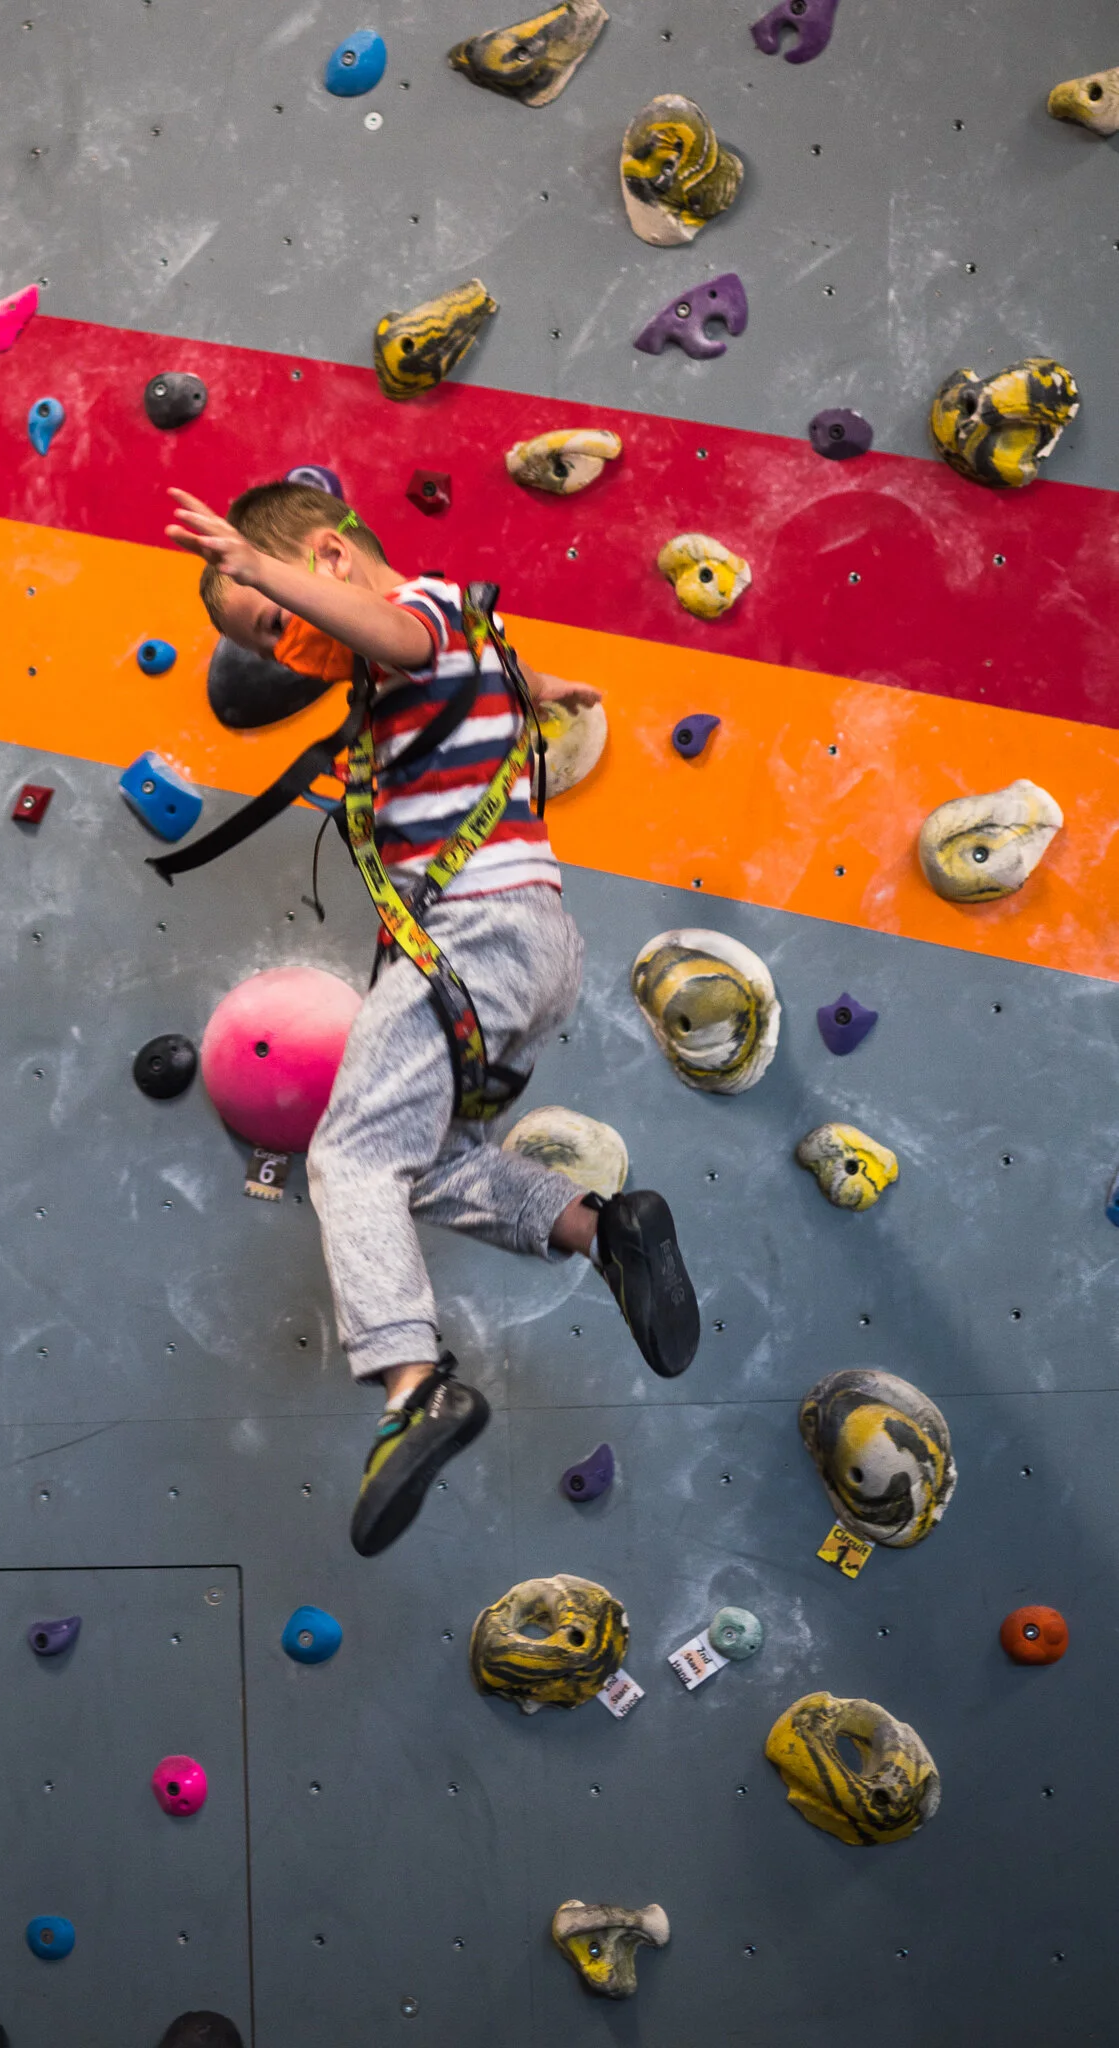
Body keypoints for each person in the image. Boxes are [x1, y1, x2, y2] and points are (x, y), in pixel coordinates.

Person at [166, 482, 700, 1555]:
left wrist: (263, 570)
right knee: (429, 1162)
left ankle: (415, 1385)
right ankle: (604, 1229)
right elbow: (470, 666)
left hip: (473, 936)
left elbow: (399, 634)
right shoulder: (458, 632)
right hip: (528, 950)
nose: (285, 650)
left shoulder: (413, 615)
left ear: (326, 556)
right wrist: (537, 683)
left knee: (350, 1156)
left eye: (274, 623)